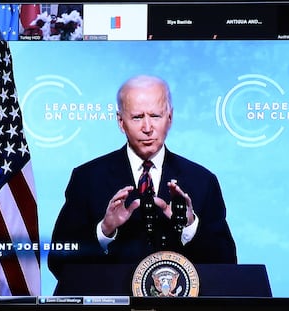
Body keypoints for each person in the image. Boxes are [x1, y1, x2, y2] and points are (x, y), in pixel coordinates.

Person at [48, 75, 237, 289]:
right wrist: (104, 230)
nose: (147, 127)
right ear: (121, 122)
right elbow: (58, 261)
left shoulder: (202, 181)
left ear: (170, 117)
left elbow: (227, 264)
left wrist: (190, 226)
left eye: (155, 116)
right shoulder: (87, 178)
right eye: (137, 117)